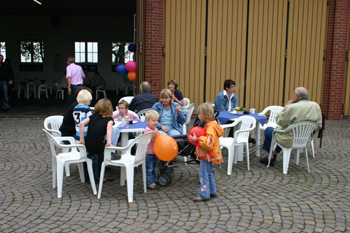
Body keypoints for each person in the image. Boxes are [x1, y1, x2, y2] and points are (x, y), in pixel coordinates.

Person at [259, 87, 323, 166]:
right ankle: (274, 153)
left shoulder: (292, 107)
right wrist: (308, 132)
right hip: (305, 139)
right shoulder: (315, 106)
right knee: (282, 133)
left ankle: (270, 156)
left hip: (289, 138)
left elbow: (279, 121)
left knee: (269, 130)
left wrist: (286, 107)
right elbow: (319, 125)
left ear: (297, 96)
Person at [188, 103, 224, 202]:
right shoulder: (213, 125)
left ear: (205, 115)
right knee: (209, 172)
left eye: (199, 114)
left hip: (207, 154)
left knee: (203, 174)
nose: (198, 116)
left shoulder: (210, 128)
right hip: (211, 154)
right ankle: (212, 191)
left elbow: (208, 143)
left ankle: (204, 194)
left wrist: (197, 139)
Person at [78, 99, 118, 181]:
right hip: (99, 144)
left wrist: (81, 140)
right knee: (101, 155)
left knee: (93, 156)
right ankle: (99, 175)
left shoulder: (92, 117)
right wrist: (109, 142)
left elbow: (81, 124)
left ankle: (90, 175)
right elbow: (109, 129)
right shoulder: (109, 119)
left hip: (88, 143)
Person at [144, 110, 161, 190]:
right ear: (147, 121)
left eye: (157, 120)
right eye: (153, 121)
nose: (155, 122)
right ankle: (150, 183)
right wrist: (153, 134)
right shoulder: (147, 130)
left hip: (155, 152)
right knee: (149, 169)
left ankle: (153, 180)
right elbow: (148, 139)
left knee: (154, 168)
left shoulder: (155, 129)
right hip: (149, 153)